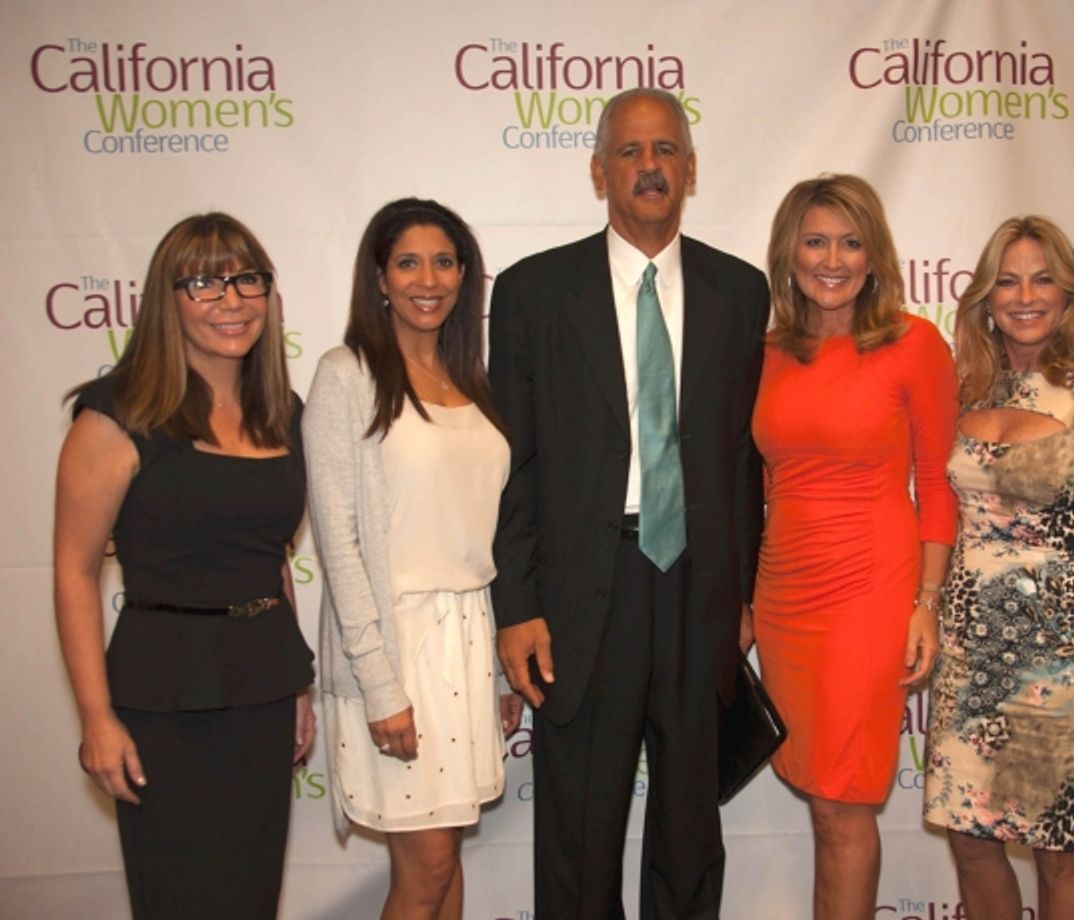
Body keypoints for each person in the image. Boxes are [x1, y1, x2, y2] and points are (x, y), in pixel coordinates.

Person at [488, 86, 769, 918]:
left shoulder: (740, 291)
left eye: (665, 150)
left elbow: (746, 462)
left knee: (690, 832)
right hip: (580, 592)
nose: (650, 166)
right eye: (630, 151)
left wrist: (743, 594)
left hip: (697, 589)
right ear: (597, 172)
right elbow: (513, 463)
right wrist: (517, 603)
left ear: (690, 168)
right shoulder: (536, 293)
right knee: (577, 828)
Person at [53, 213, 316, 919]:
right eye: (204, 282)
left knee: (250, 897)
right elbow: (75, 573)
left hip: (261, 687)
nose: (231, 300)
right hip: (163, 698)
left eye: (247, 279)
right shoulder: (118, 414)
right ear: (165, 301)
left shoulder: (280, 414)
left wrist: (294, 686)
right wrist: (95, 717)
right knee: (181, 901)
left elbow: (273, 559)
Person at [923, 216, 1074, 919]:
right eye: (1007, 280)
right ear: (985, 300)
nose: (1025, 295)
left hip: (1060, 676)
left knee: (1056, 848)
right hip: (969, 662)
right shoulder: (967, 390)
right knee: (971, 839)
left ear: (1070, 293)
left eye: (1043, 278)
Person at [304, 197, 522, 920]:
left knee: (445, 859)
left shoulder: (473, 383)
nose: (427, 278)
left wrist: (494, 666)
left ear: (465, 276)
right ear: (379, 278)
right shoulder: (348, 375)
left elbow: (474, 542)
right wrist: (378, 684)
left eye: (444, 261)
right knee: (425, 867)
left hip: (466, 641)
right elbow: (339, 544)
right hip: (396, 648)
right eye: (408, 262)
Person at [748, 174, 959, 919]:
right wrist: (745, 599)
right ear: (789, 253)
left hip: (870, 589)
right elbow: (759, 486)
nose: (831, 259)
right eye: (815, 240)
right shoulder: (766, 350)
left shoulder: (912, 344)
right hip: (784, 598)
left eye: (849, 241)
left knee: (842, 806)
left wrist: (926, 604)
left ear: (874, 256)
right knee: (822, 801)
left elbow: (937, 486)